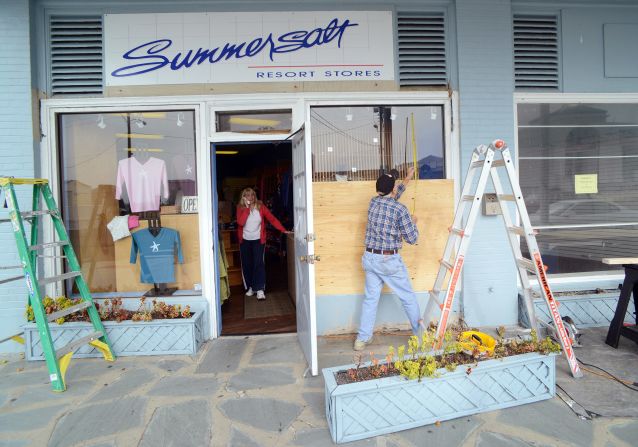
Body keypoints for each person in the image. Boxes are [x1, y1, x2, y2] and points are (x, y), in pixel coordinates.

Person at [354, 167, 422, 351]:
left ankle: (362, 339)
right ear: (392, 189)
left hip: (370, 258)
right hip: (388, 261)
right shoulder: (400, 209)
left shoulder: (373, 202)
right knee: (407, 297)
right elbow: (412, 238)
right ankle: (421, 337)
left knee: (370, 299)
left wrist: (407, 178)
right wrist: (413, 222)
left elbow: (393, 194)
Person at [236, 187, 288, 300]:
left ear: (255, 196)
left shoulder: (261, 207)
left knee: (258, 263)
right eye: (248, 195)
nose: (251, 197)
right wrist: (247, 208)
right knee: (247, 264)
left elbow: (272, 219)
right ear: (243, 197)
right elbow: (240, 222)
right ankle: (250, 287)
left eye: (252, 195)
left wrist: (283, 229)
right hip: (244, 240)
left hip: (258, 240)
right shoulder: (240, 208)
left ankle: (259, 289)